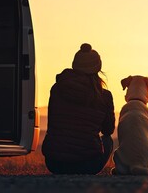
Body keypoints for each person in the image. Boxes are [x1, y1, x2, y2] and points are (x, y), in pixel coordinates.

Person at [42, 43, 115, 174]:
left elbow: (52, 123)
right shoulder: (104, 96)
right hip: (88, 165)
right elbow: (108, 129)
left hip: (54, 163)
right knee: (107, 140)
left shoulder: (57, 88)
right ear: (97, 68)